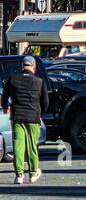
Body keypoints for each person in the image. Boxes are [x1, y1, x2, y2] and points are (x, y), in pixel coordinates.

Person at [1, 54, 50, 185]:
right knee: (32, 145)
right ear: (33, 67)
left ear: (22, 66)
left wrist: (6, 108)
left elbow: (4, 98)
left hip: (17, 117)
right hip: (33, 117)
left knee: (18, 145)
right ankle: (33, 173)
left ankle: (19, 175)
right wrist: (40, 112)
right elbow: (45, 103)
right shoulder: (39, 82)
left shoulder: (12, 79)